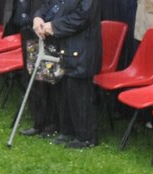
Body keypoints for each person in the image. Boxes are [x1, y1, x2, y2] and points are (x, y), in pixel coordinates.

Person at [19, 0, 103, 148]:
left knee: (79, 92)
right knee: (64, 90)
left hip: (82, 45)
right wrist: (38, 17)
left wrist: (54, 26)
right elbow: (50, 4)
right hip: (64, 44)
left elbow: (83, 16)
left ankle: (86, 137)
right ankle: (67, 131)